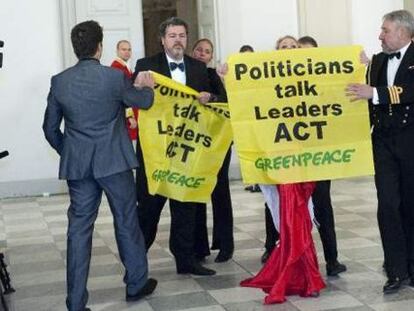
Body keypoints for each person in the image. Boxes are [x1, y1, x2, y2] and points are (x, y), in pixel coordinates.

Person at [42, 21, 157, 311]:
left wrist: (69, 151)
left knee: (78, 230)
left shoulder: (60, 81)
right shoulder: (113, 78)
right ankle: (136, 283)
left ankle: (76, 303)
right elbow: (142, 101)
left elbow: (50, 128)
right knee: (126, 222)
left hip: (79, 167)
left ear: (75, 47)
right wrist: (147, 87)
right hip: (114, 162)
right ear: (100, 46)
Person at [132, 17, 216, 276]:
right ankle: (135, 265)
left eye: (182, 35)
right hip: (155, 152)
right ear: (163, 39)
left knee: (186, 209)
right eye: (172, 35)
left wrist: (210, 97)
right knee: (147, 211)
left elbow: (221, 99)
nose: (178, 39)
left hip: (187, 152)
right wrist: (139, 86)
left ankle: (186, 260)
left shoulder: (199, 68)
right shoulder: (146, 66)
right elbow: (132, 96)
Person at [260, 36, 347, 277]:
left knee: (321, 204)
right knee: (279, 204)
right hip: (284, 154)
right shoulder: (265, 80)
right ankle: (274, 250)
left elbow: (338, 92)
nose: (289, 50)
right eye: (284, 47)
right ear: (276, 52)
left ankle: (331, 258)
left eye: (293, 47)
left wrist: (360, 65)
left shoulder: (317, 78)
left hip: (315, 153)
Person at [346, 10, 414, 294]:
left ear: (403, 32)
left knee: (410, 206)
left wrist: (374, 92)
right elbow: (362, 95)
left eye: (385, 30)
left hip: (411, 142)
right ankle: (395, 269)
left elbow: (408, 91)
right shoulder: (376, 61)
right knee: (387, 205)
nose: (380, 35)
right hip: (383, 143)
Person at [191, 38, 234, 263]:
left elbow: (226, 101)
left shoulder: (213, 75)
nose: (202, 54)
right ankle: (199, 247)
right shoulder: (184, 73)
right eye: (199, 49)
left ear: (210, 56)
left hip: (217, 142)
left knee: (220, 191)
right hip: (192, 142)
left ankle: (225, 245)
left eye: (207, 51)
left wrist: (213, 98)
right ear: (193, 51)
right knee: (195, 192)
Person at [110, 40, 139, 142]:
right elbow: (122, 95)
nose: (127, 52)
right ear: (117, 51)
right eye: (123, 49)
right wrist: (130, 116)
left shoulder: (124, 67)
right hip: (126, 117)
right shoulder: (117, 68)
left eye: (129, 50)